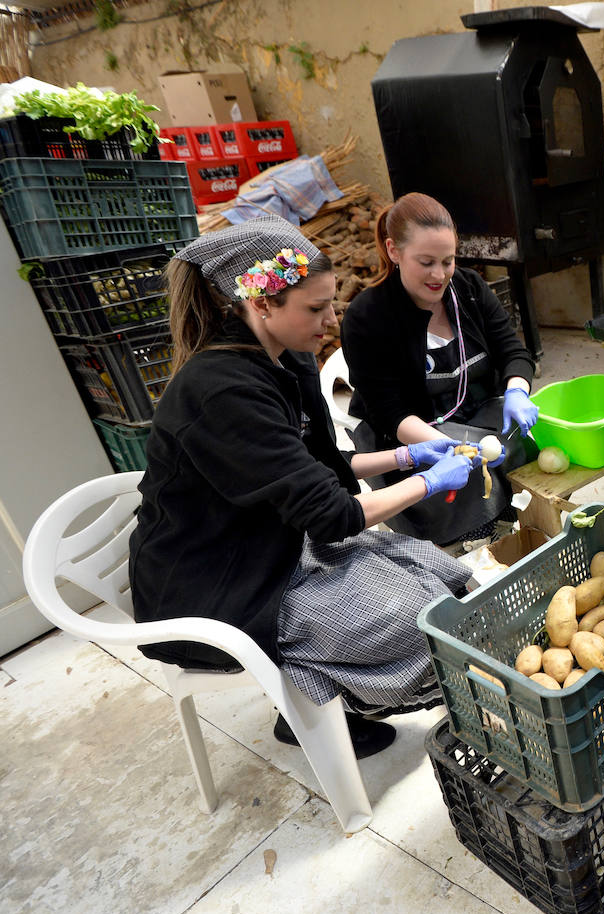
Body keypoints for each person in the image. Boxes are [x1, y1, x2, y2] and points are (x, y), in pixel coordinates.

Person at [130, 215, 489, 758]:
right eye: (316, 309)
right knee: (417, 622)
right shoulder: (218, 389)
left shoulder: (287, 359)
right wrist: (429, 482)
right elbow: (332, 515)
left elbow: (321, 467)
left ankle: (317, 702)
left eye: (331, 304)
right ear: (262, 304)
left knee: (446, 574)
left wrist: (408, 453)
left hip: (268, 538)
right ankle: (317, 702)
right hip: (215, 581)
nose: (331, 322)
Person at [341, 192, 538, 550]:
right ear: (394, 251)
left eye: (447, 261)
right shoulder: (368, 318)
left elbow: (514, 351)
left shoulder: (469, 290)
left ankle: (523, 532)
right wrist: (443, 445)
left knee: (531, 446)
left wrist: (517, 391)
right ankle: (468, 550)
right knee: (472, 480)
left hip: (478, 412)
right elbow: (390, 414)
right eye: (426, 262)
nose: (440, 274)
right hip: (412, 437)